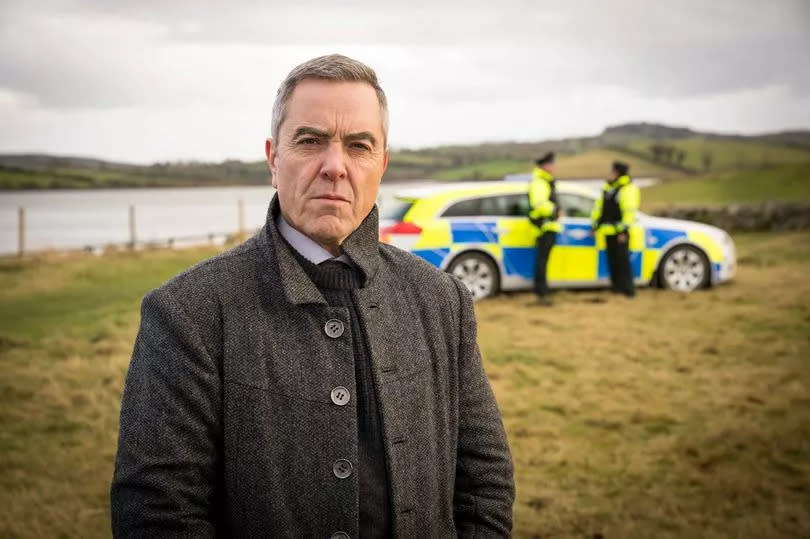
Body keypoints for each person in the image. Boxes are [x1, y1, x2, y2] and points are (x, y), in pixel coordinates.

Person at [110, 54, 514, 538]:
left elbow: (484, 482)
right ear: (273, 159)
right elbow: (158, 515)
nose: (335, 167)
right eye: (310, 140)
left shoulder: (441, 299)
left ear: (381, 164)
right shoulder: (187, 313)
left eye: (359, 145)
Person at [590, 160, 640, 297]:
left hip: (620, 232)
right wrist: (596, 225)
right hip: (608, 230)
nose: (610, 174)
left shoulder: (627, 188)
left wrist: (623, 231)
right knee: (612, 261)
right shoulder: (608, 188)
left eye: (612, 172)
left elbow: (629, 212)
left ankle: (629, 290)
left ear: (617, 173)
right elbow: (601, 208)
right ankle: (616, 287)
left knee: (623, 261)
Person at [528, 151, 562, 304]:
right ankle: (541, 291)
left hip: (547, 227)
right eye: (551, 164)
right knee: (542, 261)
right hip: (544, 228)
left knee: (543, 261)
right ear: (545, 166)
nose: (554, 167)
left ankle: (542, 290)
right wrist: (556, 210)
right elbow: (539, 204)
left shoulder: (545, 181)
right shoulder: (540, 182)